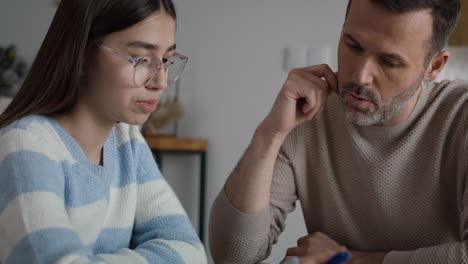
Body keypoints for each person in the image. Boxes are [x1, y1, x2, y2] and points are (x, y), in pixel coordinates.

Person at [209, 0, 465, 263]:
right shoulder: (307, 112)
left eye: (389, 61)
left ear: (434, 66)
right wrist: (270, 134)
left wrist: (351, 260)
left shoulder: (461, 117)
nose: (360, 76)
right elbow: (232, 256)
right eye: (353, 46)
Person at [0, 0, 207, 263]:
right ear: (82, 55)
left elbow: (190, 251)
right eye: (140, 59)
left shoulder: (127, 141)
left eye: (166, 60)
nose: (161, 81)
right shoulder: (25, 146)